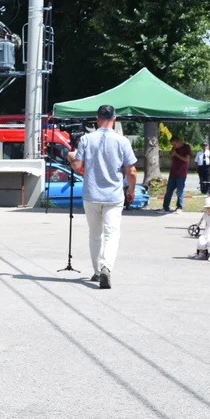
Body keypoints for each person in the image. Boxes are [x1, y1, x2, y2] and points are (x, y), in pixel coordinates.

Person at [69, 104, 138, 289]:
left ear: (97, 119)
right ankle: (107, 266)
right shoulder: (122, 141)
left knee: (95, 234)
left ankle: (97, 271)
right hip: (113, 195)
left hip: (91, 194)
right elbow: (131, 170)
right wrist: (131, 190)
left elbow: (77, 166)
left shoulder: (86, 139)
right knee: (112, 234)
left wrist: (70, 157)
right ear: (114, 119)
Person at [162, 136, 191, 213]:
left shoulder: (186, 147)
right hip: (173, 173)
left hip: (181, 173)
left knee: (179, 191)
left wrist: (176, 154)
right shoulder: (174, 149)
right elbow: (171, 157)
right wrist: (173, 153)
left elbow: (186, 159)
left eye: (174, 145)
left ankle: (179, 207)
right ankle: (165, 207)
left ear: (178, 142)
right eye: (172, 145)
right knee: (169, 191)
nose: (173, 146)